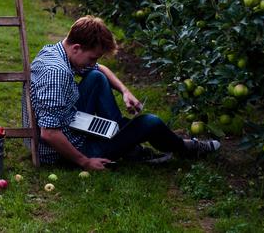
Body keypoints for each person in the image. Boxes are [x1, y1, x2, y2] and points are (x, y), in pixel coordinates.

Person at [22, 16, 220, 169]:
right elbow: (49, 133)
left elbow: (99, 69)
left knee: (97, 77)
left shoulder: (54, 51)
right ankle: (185, 148)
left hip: (70, 122)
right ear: (76, 47)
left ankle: (126, 142)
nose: (93, 63)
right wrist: (85, 162)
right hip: (60, 150)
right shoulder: (57, 73)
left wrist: (125, 91)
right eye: (92, 58)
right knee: (150, 122)